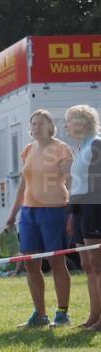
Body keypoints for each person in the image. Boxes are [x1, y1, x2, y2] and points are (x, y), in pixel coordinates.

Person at [4, 110, 75, 328]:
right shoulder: (28, 150)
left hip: (54, 210)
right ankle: (40, 314)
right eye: (33, 123)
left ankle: (62, 314)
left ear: (50, 126)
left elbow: (70, 181)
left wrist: (72, 211)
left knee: (56, 261)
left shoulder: (62, 149)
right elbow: (23, 186)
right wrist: (12, 215)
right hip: (28, 212)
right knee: (30, 264)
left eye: (41, 123)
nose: (36, 127)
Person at [65, 104, 101, 330]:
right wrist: (71, 213)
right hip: (80, 210)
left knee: (98, 265)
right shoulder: (81, 147)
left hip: (94, 208)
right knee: (87, 265)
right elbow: (78, 185)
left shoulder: (97, 143)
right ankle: (94, 316)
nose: (66, 125)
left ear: (82, 122)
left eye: (69, 120)